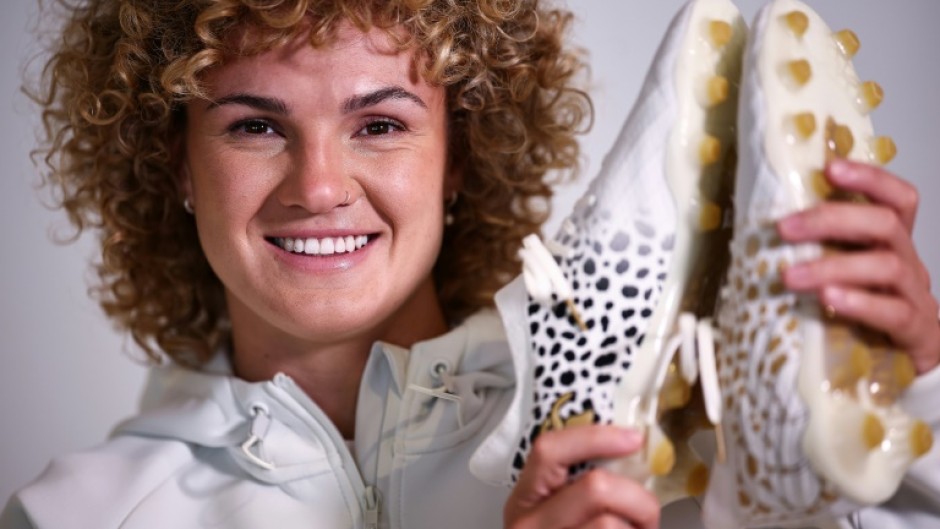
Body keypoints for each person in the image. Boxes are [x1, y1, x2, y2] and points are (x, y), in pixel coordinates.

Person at [2, 0, 937, 528]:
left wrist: (915, 386)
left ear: (461, 154)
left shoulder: (661, 425)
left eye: (379, 124)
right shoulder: (75, 513)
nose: (320, 185)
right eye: (255, 125)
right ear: (175, 162)